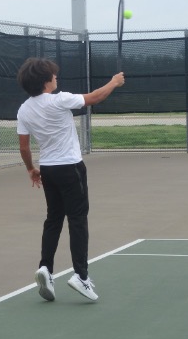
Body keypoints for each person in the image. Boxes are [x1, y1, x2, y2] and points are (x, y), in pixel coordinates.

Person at [16, 57, 125, 302]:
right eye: (53, 75)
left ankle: (46, 268)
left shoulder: (24, 109)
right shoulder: (60, 99)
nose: (56, 77)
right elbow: (94, 98)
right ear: (45, 80)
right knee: (77, 220)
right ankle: (81, 276)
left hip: (48, 169)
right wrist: (114, 82)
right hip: (70, 168)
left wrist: (31, 168)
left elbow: (24, 147)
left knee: (53, 219)